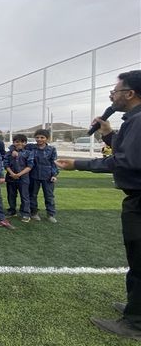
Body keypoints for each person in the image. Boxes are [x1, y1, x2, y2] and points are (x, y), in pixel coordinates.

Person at [56, 70, 141, 340]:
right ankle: (135, 306)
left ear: (130, 94)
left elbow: (125, 161)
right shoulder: (134, 121)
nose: (111, 95)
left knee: (139, 260)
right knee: (136, 259)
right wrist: (107, 134)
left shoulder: (138, 121)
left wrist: (78, 164)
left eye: (115, 91)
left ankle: (135, 323)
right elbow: (126, 150)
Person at [28, 129, 59, 223]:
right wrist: (13, 150)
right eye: (37, 137)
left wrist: (54, 174)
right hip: (33, 175)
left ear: (47, 139)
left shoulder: (52, 149)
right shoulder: (30, 147)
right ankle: (34, 213)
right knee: (32, 195)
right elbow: (16, 145)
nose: (39, 139)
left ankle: (50, 214)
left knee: (49, 196)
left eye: (42, 137)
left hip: (48, 176)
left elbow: (54, 163)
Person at [3, 134, 34, 222]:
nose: (19, 143)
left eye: (22, 142)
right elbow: (6, 164)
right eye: (17, 142)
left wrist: (19, 174)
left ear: (25, 143)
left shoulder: (28, 153)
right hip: (10, 177)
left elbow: (30, 166)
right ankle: (12, 211)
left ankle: (25, 213)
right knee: (11, 195)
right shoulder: (9, 153)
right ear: (13, 143)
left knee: (24, 196)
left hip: (23, 178)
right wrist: (12, 174)